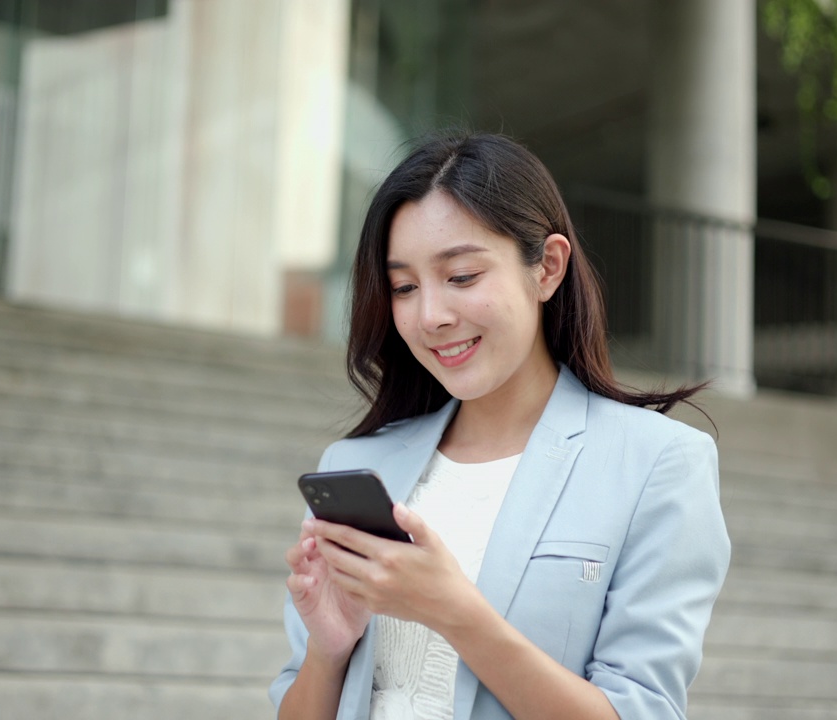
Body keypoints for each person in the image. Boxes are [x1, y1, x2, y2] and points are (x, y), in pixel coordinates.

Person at [269, 132, 730, 720]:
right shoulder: (356, 466)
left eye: (461, 276)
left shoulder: (659, 464)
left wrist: (454, 611)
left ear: (548, 268)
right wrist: (328, 655)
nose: (431, 315)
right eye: (405, 287)